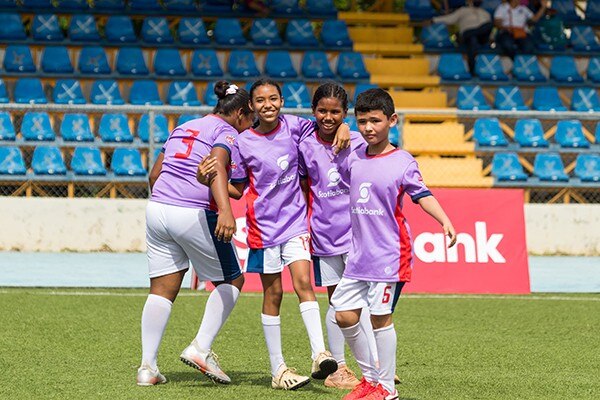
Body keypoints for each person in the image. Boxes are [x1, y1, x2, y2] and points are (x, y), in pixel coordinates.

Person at [198, 79, 350, 390]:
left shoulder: (296, 127)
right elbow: (237, 189)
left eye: (273, 98)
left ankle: (320, 354)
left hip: (295, 224)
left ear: (282, 101)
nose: (268, 104)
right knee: (274, 295)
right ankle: (277, 368)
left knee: (304, 284)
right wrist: (208, 180)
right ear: (251, 106)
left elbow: (326, 128)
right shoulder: (243, 143)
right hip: (263, 229)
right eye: (260, 100)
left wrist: (345, 128)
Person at [332, 88, 457, 400]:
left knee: (379, 318)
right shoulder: (354, 157)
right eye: (362, 121)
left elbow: (421, 195)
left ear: (392, 120)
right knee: (343, 314)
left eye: (375, 120)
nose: (369, 127)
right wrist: (344, 127)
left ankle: (386, 390)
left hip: (389, 253)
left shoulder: (403, 161)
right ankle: (370, 380)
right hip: (358, 255)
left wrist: (444, 220)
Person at [137, 81, 254, 386]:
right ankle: (200, 348)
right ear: (240, 113)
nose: (249, 125)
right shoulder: (227, 132)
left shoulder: (185, 126)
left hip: (157, 207)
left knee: (162, 289)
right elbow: (215, 167)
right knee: (233, 280)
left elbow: (154, 174)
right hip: (192, 211)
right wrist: (226, 210)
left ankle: (147, 367)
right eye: (249, 118)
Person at [297, 82, 370, 390]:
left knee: (362, 301)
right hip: (325, 233)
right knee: (336, 300)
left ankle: (373, 366)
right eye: (322, 111)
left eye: (336, 112)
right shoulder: (305, 145)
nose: (328, 117)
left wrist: (350, 126)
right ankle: (337, 369)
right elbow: (303, 187)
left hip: (358, 232)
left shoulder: (356, 140)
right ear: (314, 111)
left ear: (345, 113)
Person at [432, 0, 492, 74]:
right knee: (472, 40)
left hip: (481, 37)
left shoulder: (485, 13)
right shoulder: (462, 11)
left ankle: (472, 32)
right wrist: (434, 20)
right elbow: (449, 19)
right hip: (469, 38)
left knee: (488, 25)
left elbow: (488, 29)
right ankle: (472, 70)